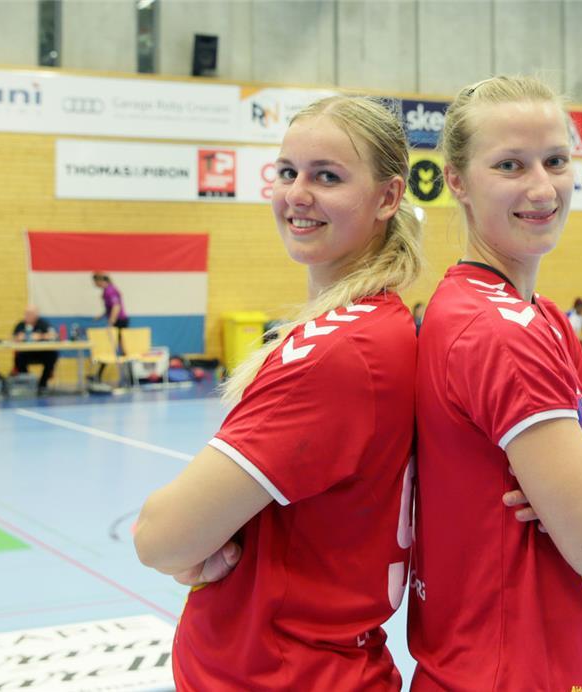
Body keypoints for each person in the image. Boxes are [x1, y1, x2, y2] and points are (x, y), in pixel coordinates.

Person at [134, 95, 423, 691]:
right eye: (288, 172)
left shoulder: (338, 353)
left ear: (388, 198)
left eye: (327, 176)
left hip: (279, 674)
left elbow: (161, 538)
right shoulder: (379, 326)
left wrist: (193, 551)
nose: (297, 193)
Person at [409, 76, 582, 691]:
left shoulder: (537, 316)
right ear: (457, 181)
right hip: (509, 674)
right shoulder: (500, 331)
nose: (542, 188)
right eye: (510, 165)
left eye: (556, 160)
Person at [11, 305, 58, 393]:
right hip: (26, 353)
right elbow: (14, 338)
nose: (27, 315)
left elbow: (53, 335)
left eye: (30, 313)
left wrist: (40, 336)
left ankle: (42, 384)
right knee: (18, 357)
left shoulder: (43, 323)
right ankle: (29, 382)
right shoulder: (21, 325)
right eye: (26, 313)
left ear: (36, 315)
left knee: (52, 355)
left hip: (41, 353)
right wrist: (20, 337)